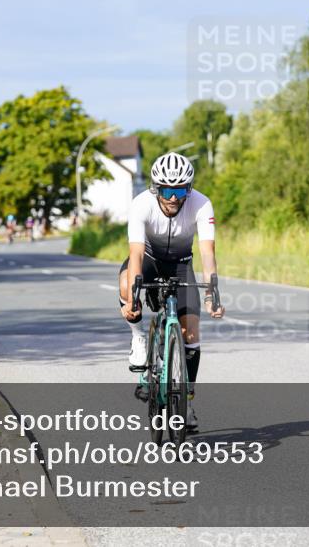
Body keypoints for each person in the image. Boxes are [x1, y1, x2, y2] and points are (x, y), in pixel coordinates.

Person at [118, 152, 225, 431]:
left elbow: (207, 252)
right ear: (156, 188)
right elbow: (137, 253)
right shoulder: (141, 205)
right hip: (150, 259)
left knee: (191, 334)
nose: (174, 197)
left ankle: (187, 402)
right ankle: (139, 338)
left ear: (188, 189)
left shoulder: (202, 204)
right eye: (167, 190)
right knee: (126, 284)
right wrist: (134, 296)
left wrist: (213, 293)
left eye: (180, 190)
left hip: (181, 264)